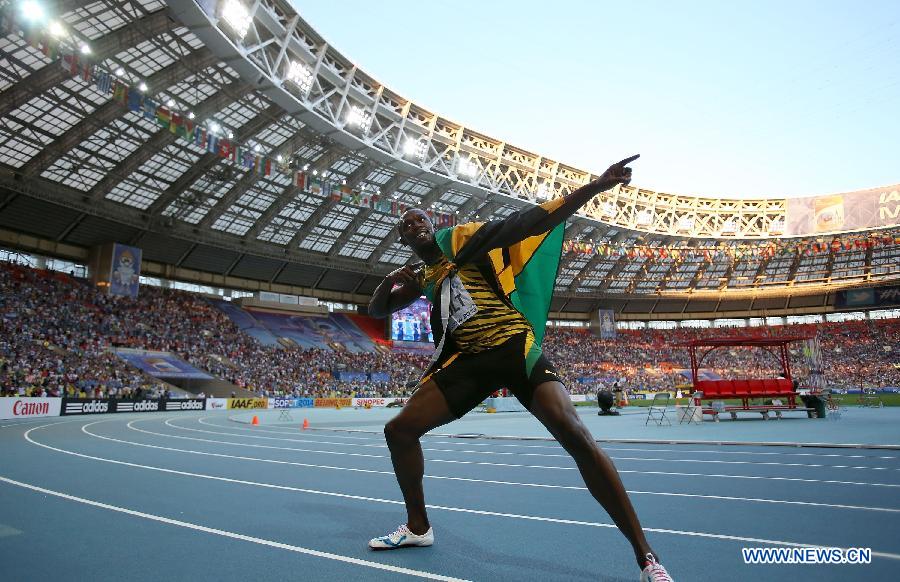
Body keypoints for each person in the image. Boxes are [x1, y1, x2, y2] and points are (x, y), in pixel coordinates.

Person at [366, 155, 673, 581]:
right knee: (397, 430)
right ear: (403, 239)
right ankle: (418, 528)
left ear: (431, 223)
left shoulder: (461, 240)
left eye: (419, 219)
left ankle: (647, 558)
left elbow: (527, 223)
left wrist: (594, 188)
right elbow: (378, 308)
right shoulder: (423, 276)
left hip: (513, 348)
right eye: (405, 226)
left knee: (576, 434)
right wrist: (387, 284)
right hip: (469, 362)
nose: (414, 225)